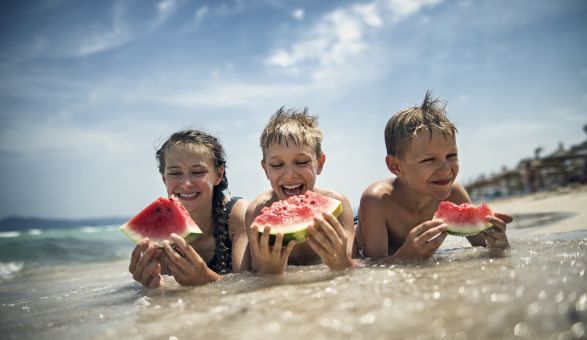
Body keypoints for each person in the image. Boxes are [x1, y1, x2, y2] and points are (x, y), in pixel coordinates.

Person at [357, 91, 513, 260]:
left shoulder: (453, 192)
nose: (446, 170)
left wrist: (498, 244)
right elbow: (372, 266)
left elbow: (481, 246)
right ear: (396, 166)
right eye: (430, 159)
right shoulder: (377, 200)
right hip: (360, 224)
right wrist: (403, 258)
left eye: (451, 156)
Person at [128, 129, 249, 288]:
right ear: (164, 180)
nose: (186, 184)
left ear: (218, 175)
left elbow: (248, 286)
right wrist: (152, 286)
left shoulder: (237, 214)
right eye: (175, 173)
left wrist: (205, 277)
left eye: (198, 172)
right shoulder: (163, 233)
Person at [245, 108, 355, 275]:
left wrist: (342, 263)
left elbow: (353, 269)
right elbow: (255, 277)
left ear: (320, 163)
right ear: (265, 169)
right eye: (276, 165)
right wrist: (270, 271)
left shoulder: (339, 206)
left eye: (302, 162)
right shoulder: (256, 213)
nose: (290, 175)